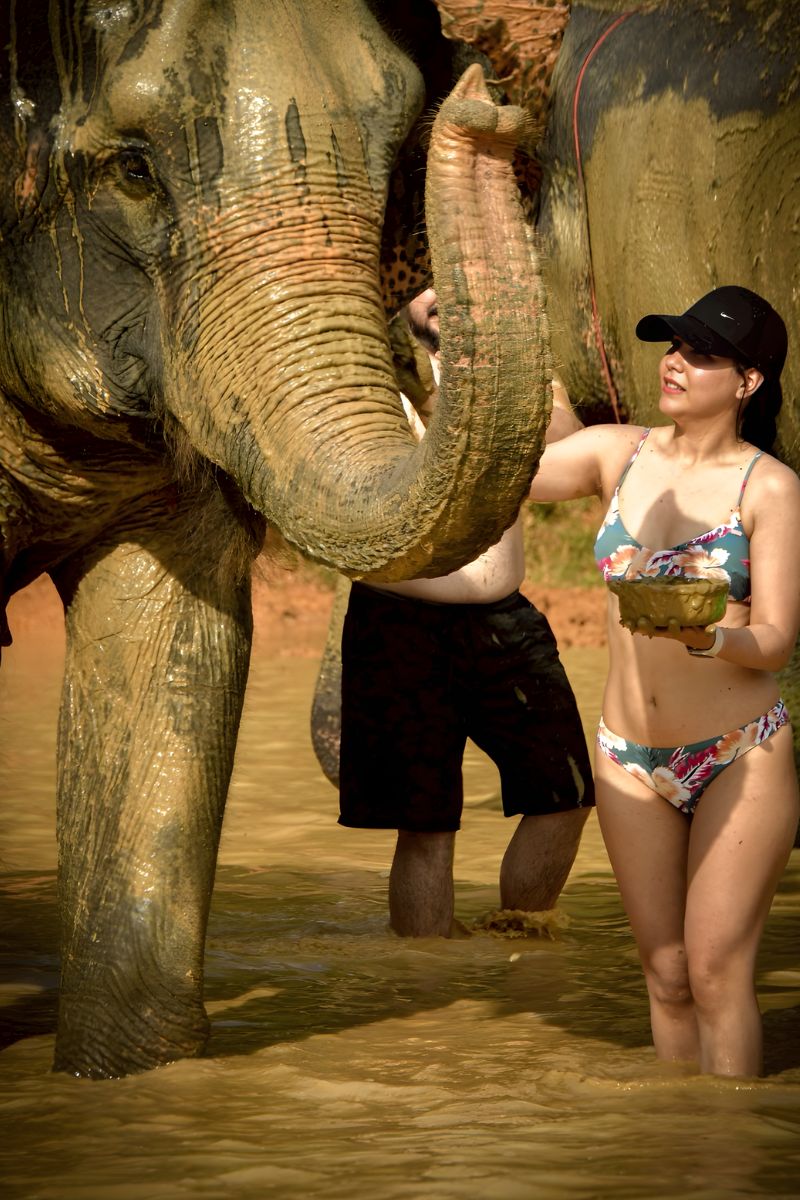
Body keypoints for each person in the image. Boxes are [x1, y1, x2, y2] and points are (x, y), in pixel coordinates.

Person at [529, 285, 800, 1076]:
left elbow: (778, 638)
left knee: (718, 976)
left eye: (700, 354)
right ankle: (679, 1163)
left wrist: (706, 636)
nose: (674, 363)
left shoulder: (770, 489)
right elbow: (509, 481)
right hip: (628, 758)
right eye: (671, 347)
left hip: (736, 753)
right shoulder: (618, 452)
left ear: (748, 382)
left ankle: (731, 1166)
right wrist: (512, 401)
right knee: (668, 974)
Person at [338, 288, 595, 937]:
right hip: (396, 624)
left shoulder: (506, 360)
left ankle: (522, 940)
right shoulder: (366, 372)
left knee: (566, 794)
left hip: (506, 620)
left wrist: (495, 374)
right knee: (426, 826)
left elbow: (566, 440)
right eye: (423, 277)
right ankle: (428, 989)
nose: (442, 291)